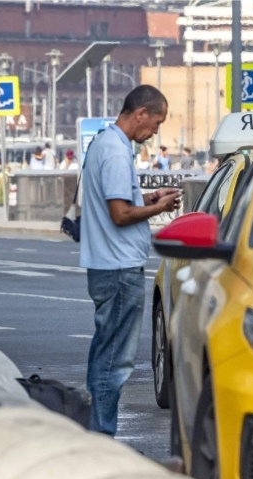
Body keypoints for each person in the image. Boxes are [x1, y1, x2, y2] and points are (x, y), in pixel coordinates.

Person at [80, 85, 181, 436]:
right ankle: (102, 436)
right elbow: (120, 214)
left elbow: (122, 200)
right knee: (115, 362)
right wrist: (159, 207)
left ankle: (96, 431)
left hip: (108, 265)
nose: (155, 131)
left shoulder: (106, 144)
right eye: (156, 122)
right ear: (140, 114)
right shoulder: (115, 151)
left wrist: (149, 196)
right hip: (119, 268)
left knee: (104, 353)